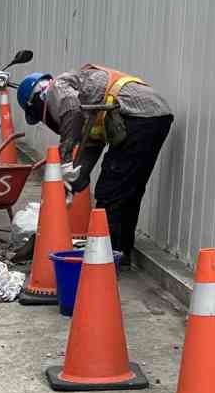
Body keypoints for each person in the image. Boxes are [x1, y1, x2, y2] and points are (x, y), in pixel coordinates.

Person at [18, 64, 174, 265]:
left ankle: (107, 259)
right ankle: (120, 253)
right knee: (128, 190)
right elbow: (89, 150)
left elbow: (71, 111)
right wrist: (71, 184)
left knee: (109, 192)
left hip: (139, 117)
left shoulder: (58, 87)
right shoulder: (90, 106)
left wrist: (64, 161)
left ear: (38, 101)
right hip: (155, 116)